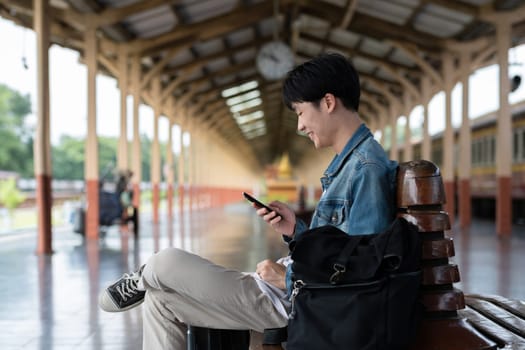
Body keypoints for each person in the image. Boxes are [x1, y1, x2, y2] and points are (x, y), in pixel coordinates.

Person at [98, 52, 398, 349]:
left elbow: (362, 273)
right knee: (159, 301)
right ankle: (147, 280)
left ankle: (144, 276)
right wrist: (295, 230)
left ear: (328, 102)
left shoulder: (366, 169)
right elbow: (342, 250)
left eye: (300, 112)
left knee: (165, 261)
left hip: (295, 300)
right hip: (290, 290)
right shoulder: (349, 165)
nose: (300, 126)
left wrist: (289, 276)